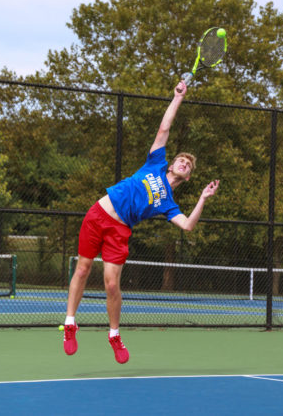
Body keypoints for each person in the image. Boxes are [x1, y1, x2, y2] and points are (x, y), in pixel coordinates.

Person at [63, 80, 219, 364]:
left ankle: (114, 335)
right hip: (98, 214)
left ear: (187, 177)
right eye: (181, 159)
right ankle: (70, 324)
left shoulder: (169, 204)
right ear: (171, 164)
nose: (184, 162)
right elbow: (164, 129)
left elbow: (187, 225)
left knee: (112, 285)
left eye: (189, 165)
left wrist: (203, 199)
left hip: (120, 230)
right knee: (83, 269)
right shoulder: (155, 164)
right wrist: (177, 98)